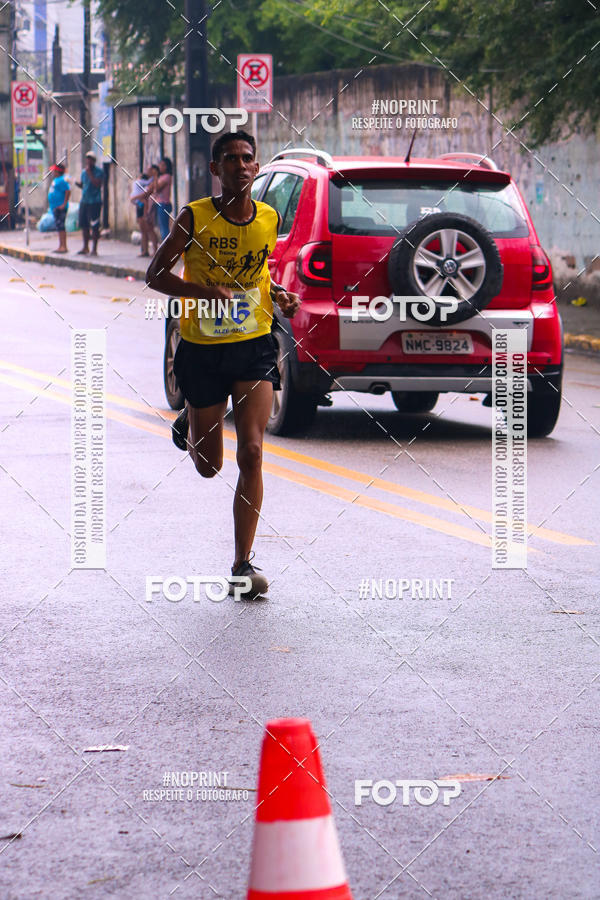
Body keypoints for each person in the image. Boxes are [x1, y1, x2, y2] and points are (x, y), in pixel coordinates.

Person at [146, 131, 300, 598]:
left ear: (256, 166)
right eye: (230, 158)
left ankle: (242, 565)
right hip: (202, 349)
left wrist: (279, 295)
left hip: (253, 343)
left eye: (247, 157)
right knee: (208, 467)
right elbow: (155, 275)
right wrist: (201, 292)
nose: (240, 165)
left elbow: (259, 271)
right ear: (216, 169)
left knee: (251, 452)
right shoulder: (194, 217)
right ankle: (192, 420)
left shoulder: (269, 217)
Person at [76, 150, 104, 255]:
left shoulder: (99, 172)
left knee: (95, 225)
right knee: (84, 225)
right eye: (87, 159)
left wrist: (90, 174)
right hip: (85, 200)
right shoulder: (84, 172)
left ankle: (94, 248)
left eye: (90, 160)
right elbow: (83, 185)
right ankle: (85, 247)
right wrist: (76, 183)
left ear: (94, 161)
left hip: (95, 201)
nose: (88, 162)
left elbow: (97, 184)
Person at [130, 170, 154, 256]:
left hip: (141, 207)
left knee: (146, 231)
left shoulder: (141, 185)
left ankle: (147, 250)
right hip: (140, 206)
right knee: (144, 231)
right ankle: (144, 250)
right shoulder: (141, 187)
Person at [48, 162, 70, 253]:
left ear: (58, 171)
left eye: (55, 171)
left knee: (61, 227)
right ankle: (61, 245)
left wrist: (64, 204)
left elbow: (68, 191)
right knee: (59, 227)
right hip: (55, 207)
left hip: (60, 207)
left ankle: (64, 246)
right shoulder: (56, 180)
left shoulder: (62, 180)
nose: (53, 172)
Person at [151, 157, 173, 241]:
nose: (160, 167)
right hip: (160, 204)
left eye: (162, 165)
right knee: (161, 227)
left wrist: (155, 176)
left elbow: (157, 189)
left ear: (166, 167)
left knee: (164, 228)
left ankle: (167, 244)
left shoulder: (167, 177)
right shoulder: (162, 177)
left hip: (163, 204)